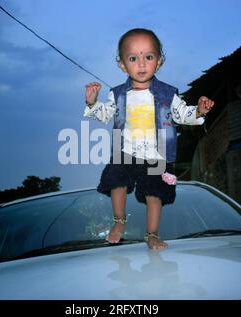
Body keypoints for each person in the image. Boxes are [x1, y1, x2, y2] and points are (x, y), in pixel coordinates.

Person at [83, 28, 214, 250]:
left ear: (159, 61)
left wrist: (199, 111)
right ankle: (118, 222)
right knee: (117, 180)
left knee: (155, 194)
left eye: (148, 57)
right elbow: (105, 115)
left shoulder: (168, 94)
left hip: (157, 154)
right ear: (122, 64)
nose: (141, 64)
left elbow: (183, 115)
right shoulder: (117, 94)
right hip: (127, 151)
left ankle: (152, 234)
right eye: (133, 58)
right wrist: (92, 103)